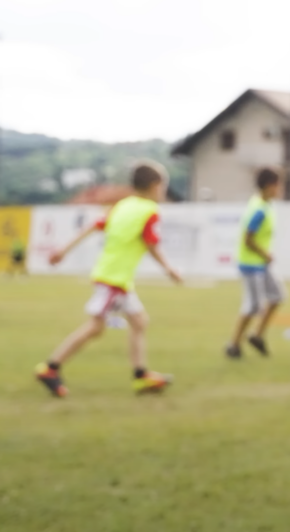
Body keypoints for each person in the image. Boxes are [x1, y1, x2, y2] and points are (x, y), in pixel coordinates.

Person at [34, 161, 182, 397]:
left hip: (113, 277)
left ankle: (141, 376)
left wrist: (64, 250)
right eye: (163, 186)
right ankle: (50, 368)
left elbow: (93, 226)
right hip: (115, 279)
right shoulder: (149, 211)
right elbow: (151, 244)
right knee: (95, 327)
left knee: (139, 321)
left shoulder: (123, 205)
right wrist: (169, 269)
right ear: (155, 185)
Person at [226, 167, 286, 359]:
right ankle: (233, 345)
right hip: (251, 264)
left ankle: (257, 335)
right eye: (278, 185)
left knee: (277, 295)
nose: (280, 189)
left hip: (261, 263)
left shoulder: (262, 204)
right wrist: (265, 253)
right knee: (252, 306)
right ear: (270, 186)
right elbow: (248, 239)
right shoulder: (259, 210)